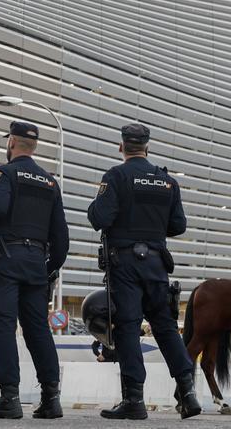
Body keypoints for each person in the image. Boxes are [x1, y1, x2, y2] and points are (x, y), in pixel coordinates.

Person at [87, 124, 201, 420]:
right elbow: (178, 226)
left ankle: (134, 401)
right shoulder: (166, 181)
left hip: (125, 264)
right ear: (147, 147)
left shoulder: (116, 176)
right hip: (156, 264)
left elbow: (100, 217)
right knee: (164, 326)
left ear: (121, 147)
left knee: (127, 328)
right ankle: (187, 393)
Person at [0, 121, 69, 419]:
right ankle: (51, 399)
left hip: (6, 260)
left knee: (2, 325)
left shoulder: (5, 173)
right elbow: (61, 238)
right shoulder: (50, 182)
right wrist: (47, 267)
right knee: (38, 329)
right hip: (36, 263)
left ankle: (10, 398)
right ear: (35, 146)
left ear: (12, 142)